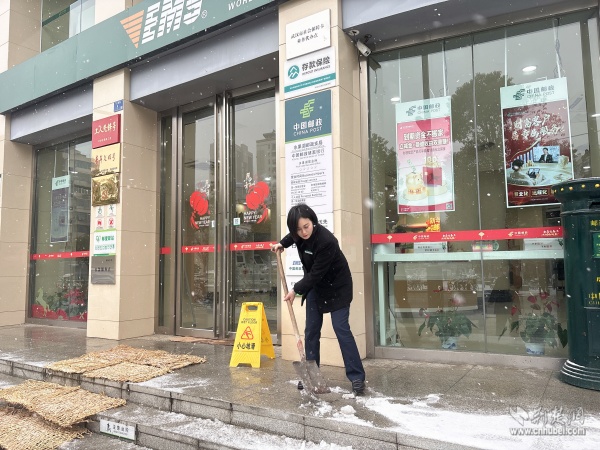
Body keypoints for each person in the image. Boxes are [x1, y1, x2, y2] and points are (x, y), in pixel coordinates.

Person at [271, 204, 366, 395]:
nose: (303, 232)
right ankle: (312, 375)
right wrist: (282, 244)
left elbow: (315, 273)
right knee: (311, 331)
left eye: (306, 226)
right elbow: (292, 236)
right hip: (316, 288)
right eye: (298, 229)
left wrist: (295, 290)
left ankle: (357, 377)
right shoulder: (298, 234)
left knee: (341, 329)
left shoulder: (326, 241)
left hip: (337, 288)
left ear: (312, 221)